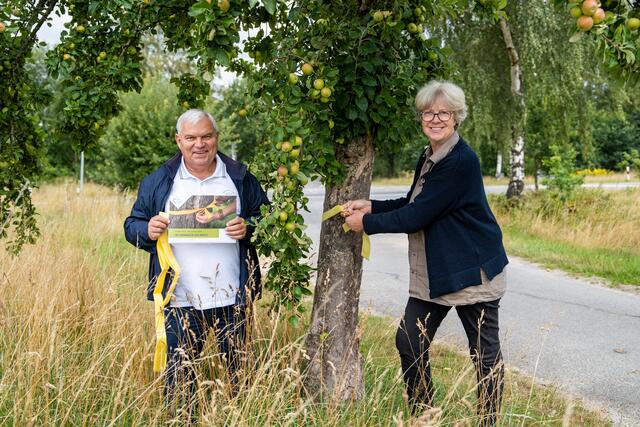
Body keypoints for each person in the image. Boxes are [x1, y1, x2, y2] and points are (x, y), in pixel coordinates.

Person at [343, 80, 508, 425]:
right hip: (437, 273)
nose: (434, 119)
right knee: (409, 341)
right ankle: (424, 417)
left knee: (484, 355)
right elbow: (412, 202)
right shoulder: (430, 155)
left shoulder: (460, 161)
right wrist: (371, 206)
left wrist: (366, 224)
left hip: (471, 269)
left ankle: (488, 421)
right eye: (428, 113)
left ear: (456, 117)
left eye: (443, 113)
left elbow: (417, 216)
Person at [124, 109, 269, 415]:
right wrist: (146, 231)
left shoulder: (240, 177)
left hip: (233, 298)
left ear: (216, 138)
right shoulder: (159, 181)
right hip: (179, 299)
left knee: (239, 380)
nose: (199, 144)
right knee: (179, 384)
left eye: (206, 136)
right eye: (191, 138)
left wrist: (249, 227)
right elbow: (131, 225)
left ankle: (239, 420)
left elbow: (267, 219)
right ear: (179, 141)